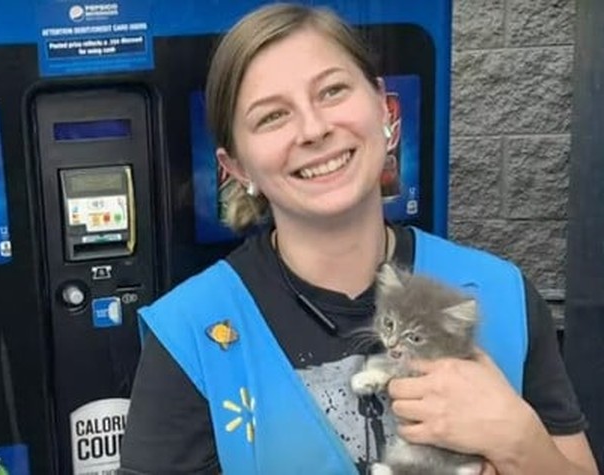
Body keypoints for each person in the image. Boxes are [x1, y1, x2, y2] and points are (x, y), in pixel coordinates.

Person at [119, 4, 599, 475]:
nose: (313, 128)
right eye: (272, 117)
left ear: (383, 109)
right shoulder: (192, 335)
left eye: (332, 91)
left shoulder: (500, 295)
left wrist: (515, 439)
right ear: (238, 168)